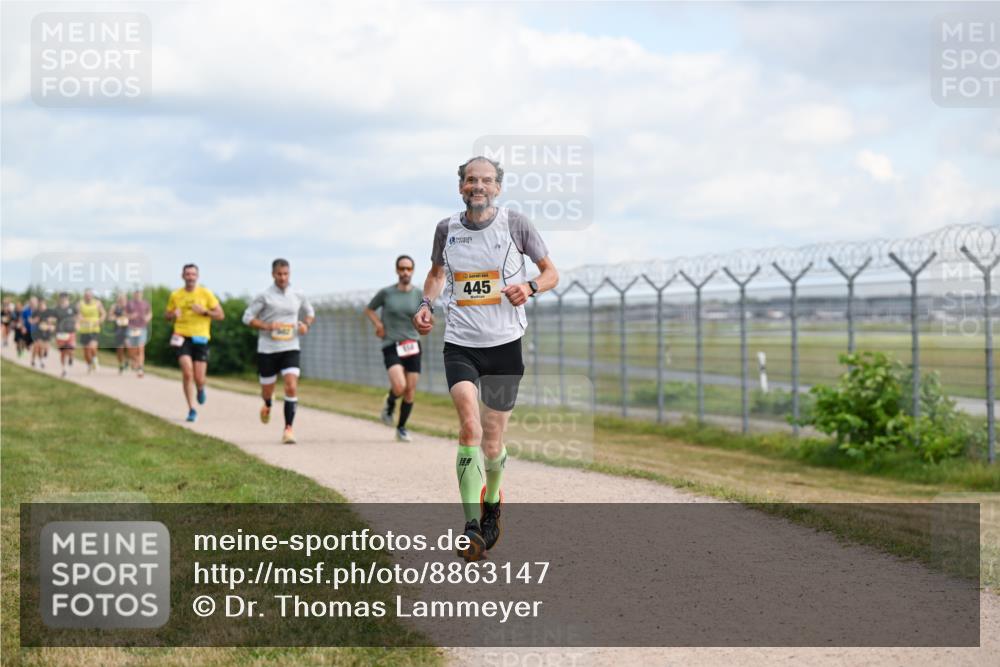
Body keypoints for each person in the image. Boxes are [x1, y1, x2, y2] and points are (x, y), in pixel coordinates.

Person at [414, 156, 559, 561]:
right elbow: (437, 273)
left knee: (493, 442)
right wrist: (426, 303)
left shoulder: (515, 224)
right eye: (471, 180)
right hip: (460, 344)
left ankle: (492, 501)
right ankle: (471, 526)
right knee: (469, 428)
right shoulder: (446, 229)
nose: (478, 186)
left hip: (505, 345)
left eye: (486, 180)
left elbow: (551, 272)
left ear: (497, 187)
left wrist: (530, 287)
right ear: (461, 186)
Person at [242, 259, 315, 444]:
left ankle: (288, 429)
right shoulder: (264, 296)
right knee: (267, 390)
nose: (283, 277)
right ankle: (267, 403)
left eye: (286, 274)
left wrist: (305, 324)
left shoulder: (298, 294)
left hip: (290, 347)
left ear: (289, 274)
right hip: (267, 349)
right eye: (279, 274)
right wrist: (267, 325)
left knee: (291, 385)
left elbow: (310, 313)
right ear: (273, 274)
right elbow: (247, 317)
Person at [365, 255, 424, 442]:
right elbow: (369, 310)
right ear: (397, 270)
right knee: (399, 386)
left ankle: (401, 428)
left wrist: (425, 323)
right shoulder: (387, 293)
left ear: (413, 271)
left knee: (410, 390)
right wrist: (378, 325)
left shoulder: (419, 295)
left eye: (408, 269)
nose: (405, 272)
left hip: (412, 344)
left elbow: (428, 315)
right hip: (391, 343)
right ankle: (390, 403)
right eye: (402, 268)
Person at [165, 264, 224, 422]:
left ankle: (200, 388)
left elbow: (220, 314)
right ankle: (191, 409)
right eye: (187, 274)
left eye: (193, 274)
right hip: (181, 336)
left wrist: (204, 312)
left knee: (199, 377)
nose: (190, 277)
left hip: (201, 338)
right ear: (182, 276)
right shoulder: (176, 295)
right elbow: (167, 315)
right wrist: (172, 314)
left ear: (197, 276)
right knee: (187, 372)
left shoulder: (205, 293)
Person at [77, 289, 106, 373]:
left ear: (92, 296)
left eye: (89, 295)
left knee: (92, 347)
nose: (88, 297)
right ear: (84, 296)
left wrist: (100, 321)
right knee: (86, 352)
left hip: (94, 329)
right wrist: (80, 318)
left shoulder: (97, 303)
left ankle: (95, 360)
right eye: (86, 295)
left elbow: (103, 313)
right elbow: (78, 314)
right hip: (84, 330)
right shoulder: (80, 304)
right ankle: (89, 364)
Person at [126, 289, 152, 378]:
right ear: (134, 295)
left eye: (139, 294)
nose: (138, 296)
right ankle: (133, 360)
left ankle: (140, 368)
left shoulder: (146, 303)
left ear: (142, 295)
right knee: (132, 348)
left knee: (141, 348)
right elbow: (124, 314)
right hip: (132, 328)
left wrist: (148, 318)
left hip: (142, 328)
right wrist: (130, 316)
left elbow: (150, 313)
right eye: (136, 294)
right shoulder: (129, 304)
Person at [52, 292, 78, 377]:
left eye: (65, 297)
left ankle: (71, 357)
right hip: (60, 332)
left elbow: (78, 315)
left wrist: (77, 323)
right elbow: (52, 318)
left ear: (68, 298)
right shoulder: (57, 309)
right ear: (59, 299)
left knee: (70, 349)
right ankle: (64, 369)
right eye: (61, 297)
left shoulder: (72, 307)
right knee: (63, 352)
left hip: (70, 331)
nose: (63, 299)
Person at [108, 293, 130, 374]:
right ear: (118, 299)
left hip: (127, 330)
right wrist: (117, 318)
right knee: (120, 349)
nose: (122, 300)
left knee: (128, 345)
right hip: (118, 330)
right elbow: (109, 318)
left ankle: (127, 361)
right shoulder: (114, 307)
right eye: (120, 299)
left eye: (124, 299)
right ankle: (121, 364)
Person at [30, 298, 55, 368]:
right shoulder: (36, 312)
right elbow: (31, 321)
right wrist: (35, 320)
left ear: (45, 304)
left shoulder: (49, 311)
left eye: (42, 304)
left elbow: (53, 320)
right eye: (40, 304)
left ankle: (42, 356)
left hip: (47, 331)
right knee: (38, 347)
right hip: (38, 331)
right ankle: (40, 361)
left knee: (46, 347)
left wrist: (51, 325)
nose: (41, 305)